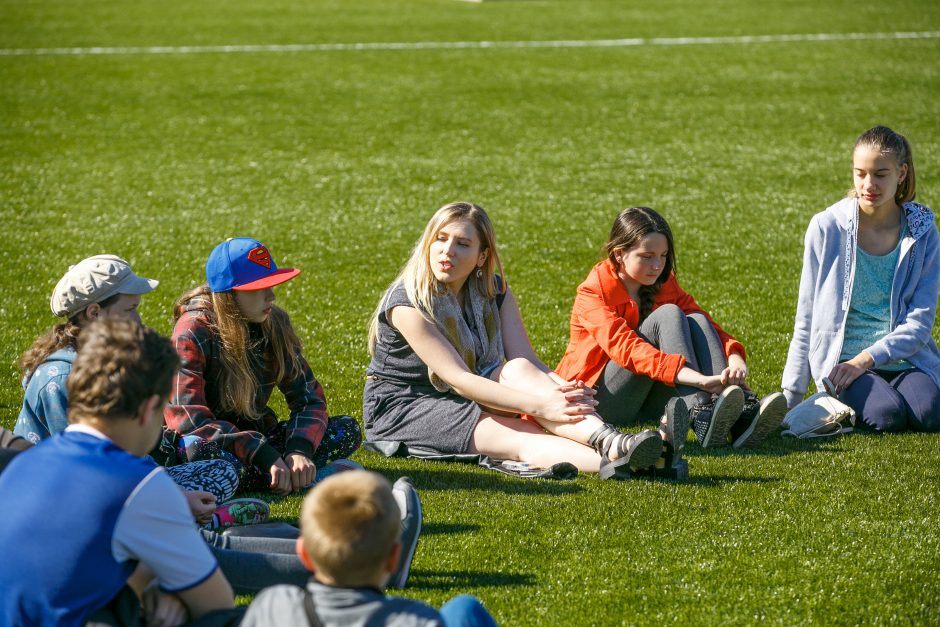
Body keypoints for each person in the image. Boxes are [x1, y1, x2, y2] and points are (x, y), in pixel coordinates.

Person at [364, 202, 667, 480]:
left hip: (472, 387)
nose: (448, 251)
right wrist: (541, 406)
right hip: (406, 404)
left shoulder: (495, 291)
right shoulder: (407, 303)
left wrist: (562, 389)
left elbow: (527, 360)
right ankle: (628, 460)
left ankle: (617, 443)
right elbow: (458, 379)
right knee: (520, 434)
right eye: (440, 239)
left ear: (482, 256)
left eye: (462, 244)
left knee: (518, 368)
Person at [0, 319, 237, 626]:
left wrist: (150, 583)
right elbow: (217, 604)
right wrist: (169, 592)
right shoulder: (137, 484)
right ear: (147, 408)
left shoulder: (24, 463)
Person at [14, 254, 249, 515]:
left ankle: (180, 517)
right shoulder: (60, 380)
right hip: (67, 497)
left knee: (223, 468)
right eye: (130, 310)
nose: (137, 320)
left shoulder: (108, 359)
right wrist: (173, 496)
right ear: (94, 313)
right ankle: (185, 524)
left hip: (119, 475)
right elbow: (90, 469)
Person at [556, 206, 787, 450]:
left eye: (663, 256)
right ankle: (703, 409)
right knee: (668, 314)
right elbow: (627, 350)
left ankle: (732, 413)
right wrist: (698, 380)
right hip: (599, 403)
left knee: (695, 318)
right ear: (619, 254)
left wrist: (735, 357)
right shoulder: (592, 292)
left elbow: (704, 320)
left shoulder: (662, 281)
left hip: (646, 398)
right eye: (647, 256)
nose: (657, 265)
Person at [165, 237, 361, 494]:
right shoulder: (191, 331)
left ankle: (283, 475)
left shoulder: (274, 322)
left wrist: (298, 451)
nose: (272, 295)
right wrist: (262, 454)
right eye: (260, 287)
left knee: (347, 430)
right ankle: (296, 479)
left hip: (258, 440)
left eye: (272, 284)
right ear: (229, 294)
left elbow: (309, 399)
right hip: (217, 444)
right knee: (198, 451)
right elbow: (189, 421)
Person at [782, 126, 940, 432]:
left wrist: (867, 359)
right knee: (887, 416)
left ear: (902, 172)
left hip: (905, 359)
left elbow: (919, 325)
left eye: (881, 174)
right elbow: (807, 315)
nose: (869, 184)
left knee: (931, 414)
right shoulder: (826, 226)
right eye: (861, 173)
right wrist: (792, 395)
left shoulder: (923, 232)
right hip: (844, 363)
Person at [241, 470, 496, 627]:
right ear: (393, 559)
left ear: (304, 553)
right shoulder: (416, 620)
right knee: (464, 609)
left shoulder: (273, 605)